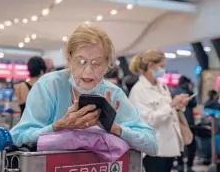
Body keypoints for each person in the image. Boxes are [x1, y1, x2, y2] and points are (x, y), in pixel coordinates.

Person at [10, 24, 158, 157]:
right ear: (69, 60)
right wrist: (58, 126)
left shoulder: (113, 94)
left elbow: (152, 145)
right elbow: (17, 137)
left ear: (108, 65)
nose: (88, 71)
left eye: (97, 63)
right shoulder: (49, 86)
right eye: (81, 62)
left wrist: (116, 129)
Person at [129, 49, 191, 172]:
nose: (163, 70)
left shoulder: (162, 86)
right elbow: (148, 119)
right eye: (162, 66)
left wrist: (178, 106)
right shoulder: (139, 90)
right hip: (154, 147)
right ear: (151, 65)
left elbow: (168, 110)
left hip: (169, 145)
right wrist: (171, 105)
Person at [173, 76, 197, 170]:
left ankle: (179, 164)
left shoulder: (174, 92)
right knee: (191, 143)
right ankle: (189, 165)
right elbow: (194, 104)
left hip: (177, 120)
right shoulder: (188, 92)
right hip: (188, 121)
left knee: (180, 143)